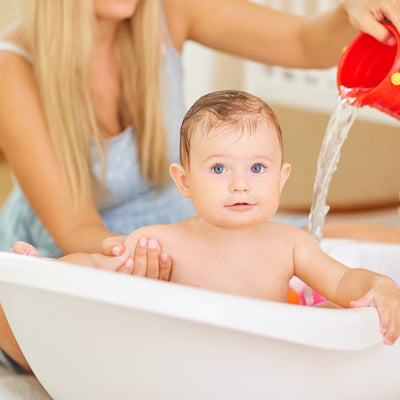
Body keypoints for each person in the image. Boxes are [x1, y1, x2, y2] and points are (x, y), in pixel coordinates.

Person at [12, 90, 400, 363]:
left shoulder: (291, 245)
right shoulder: (164, 242)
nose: (240, 184)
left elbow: (342, 281)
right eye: (218, 168)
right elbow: (98, 267)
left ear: (281, 179)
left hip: (270, 365)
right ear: (184, 182)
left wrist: (378, 286)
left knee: (334, 314)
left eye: (257, 168)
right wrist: (42, 271)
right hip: (194, 368)